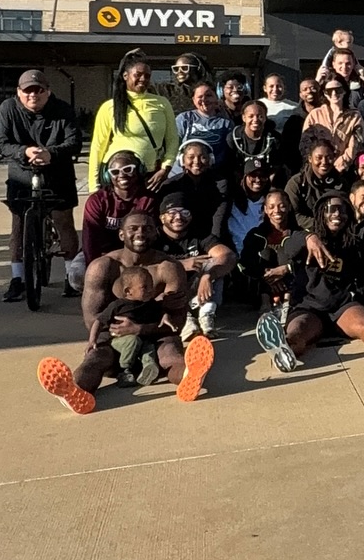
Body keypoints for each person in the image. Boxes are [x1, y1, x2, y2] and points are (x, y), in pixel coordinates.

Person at [36, 210, 213, 413]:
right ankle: (73, 389)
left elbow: (177, 322)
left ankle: (190, 377)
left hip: (156, 338)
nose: (140, 233)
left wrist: (139, 329)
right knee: (95, 359)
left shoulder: (168, 268)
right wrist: (120, 336)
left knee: (171, 355)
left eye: (147, 228)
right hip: (116, 342)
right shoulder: (103, 267)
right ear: (121, 234)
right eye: (133, 229)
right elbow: (93, 320)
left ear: (156, 233)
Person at [255, 191, 364, 370]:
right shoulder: (303, 238)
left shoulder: (358, 246)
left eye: (343, 210)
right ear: (321, 213)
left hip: (343, 306)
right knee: (298, 331)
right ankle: (284, 351)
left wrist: (355, 295)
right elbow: (288, 246)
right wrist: (309, 238)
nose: (337, 214)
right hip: (309, 307)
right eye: (331, 209)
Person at [0, 69, 84, 302]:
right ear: (19, 92)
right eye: (27, 91)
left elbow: (74, 141)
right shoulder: (8, 109)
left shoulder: (62, 109)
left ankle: (71, 277)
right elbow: (1, 142)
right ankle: (17, 279)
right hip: (21, 173)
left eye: (39, 90)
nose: (33, 95)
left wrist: (51, 153)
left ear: (48, 92)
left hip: (58, 172)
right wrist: (24, 152)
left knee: (63, 220)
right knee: (19, 223)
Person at [87, 54, 178, 192]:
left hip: (149, 175)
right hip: (117, 176)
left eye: (147, 76)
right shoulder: (110, 106)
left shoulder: (162, 103)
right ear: (125, 76)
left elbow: (172, 140)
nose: (143, 79)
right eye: (138, 75)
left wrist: (165, 168)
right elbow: (98, 147)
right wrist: (93, 186)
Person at [156, 190, 236, 339]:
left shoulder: (199, 235)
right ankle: (183, 319)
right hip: (166, 297)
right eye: (172, 212)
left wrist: (208, 275)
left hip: (196, 292)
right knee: (166, 272)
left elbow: (228, 255)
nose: (178, 217)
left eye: (184, 212)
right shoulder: (154, 237)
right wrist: (181, 265)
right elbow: (142, 267)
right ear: (162, 217)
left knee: (213, 264)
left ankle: (206, 314)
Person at [81, 151, 158, 265]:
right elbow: (90, 240)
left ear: (139, 170)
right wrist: (94, 267)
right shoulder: (97, 201)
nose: (121, 175)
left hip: (139, 254)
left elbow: (151, 237)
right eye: (115, 172)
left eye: (128, 169)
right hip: (102, 254)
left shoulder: (148, 200)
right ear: (107, 176)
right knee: (76, 273)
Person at [285, 127, 352, 228]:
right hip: (306, 231)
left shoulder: (341, 183)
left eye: (329, 157)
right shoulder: (297, 183)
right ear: (310, 159)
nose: (324, 162)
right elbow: (293, 215)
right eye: (319, 158)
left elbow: (347, 212)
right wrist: (321, 225)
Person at [223, 100, 290, 190]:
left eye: (260, 116)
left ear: (265, 118)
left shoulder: (274, 138)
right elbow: (231, 167)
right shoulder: (233, 138)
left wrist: (267, 185)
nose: (255, 120)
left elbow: (276, 165)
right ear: (244, 118)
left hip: (266, 181)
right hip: (240, 182)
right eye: (251, 116)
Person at [304, 75, 364, 168]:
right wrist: (317, 164)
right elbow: (306, 143)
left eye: (338, 90)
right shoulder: (314, 115)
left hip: (344, 169)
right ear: (324, 93)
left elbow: (355, 146)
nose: (334, 94)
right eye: (329, 91)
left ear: (344, 91)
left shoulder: (355, 117)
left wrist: (338, 166)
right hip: (317, 167)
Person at [174, 82, 234, 165]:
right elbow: (172, 146)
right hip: (184, 170)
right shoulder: (184, 118)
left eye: (208, 95)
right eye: (200, 97)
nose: (204, 99)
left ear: (216, 97)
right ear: (194, 100)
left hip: (214, 170)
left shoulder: (226, 123)